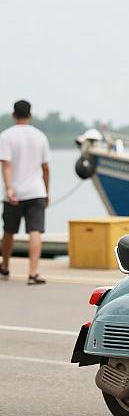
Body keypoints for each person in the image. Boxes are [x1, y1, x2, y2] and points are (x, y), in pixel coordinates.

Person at [0, 100, 50, 284]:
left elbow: (6, 165)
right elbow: (45, 168)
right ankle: (33, 273)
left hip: (15, 193)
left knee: (9, 230)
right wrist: (46, 191)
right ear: (30, 115)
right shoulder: (40, 136)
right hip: (36, 191)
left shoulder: (6, 136)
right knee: (35, 231)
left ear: (14, 115)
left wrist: (9, 188)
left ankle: (5, 267)